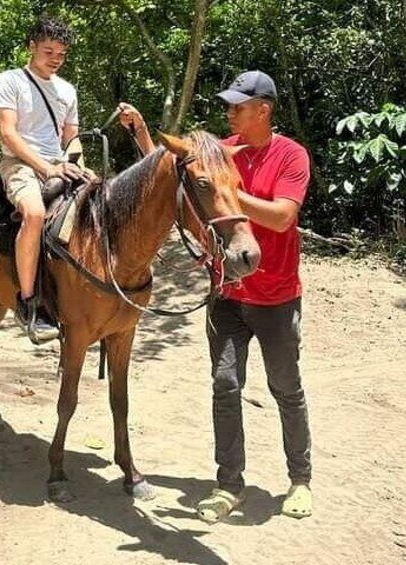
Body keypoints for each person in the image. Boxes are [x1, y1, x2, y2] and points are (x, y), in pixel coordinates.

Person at [116, 71, 313, 522]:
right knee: (225, 387)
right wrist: (144, 133)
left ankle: (299, 479)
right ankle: (229, 485)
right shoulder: (221, 151)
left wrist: (230, 196)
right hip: (226, 293)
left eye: (238, 106)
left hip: (277, 296)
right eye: (229, 105)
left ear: (263, 110)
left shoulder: (289, 155)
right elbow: (173, 178)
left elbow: (283, 218)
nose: (230, 112)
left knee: (286, 388)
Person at [0, 16, 88, 345]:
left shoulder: (67, 90)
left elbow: (71, 138)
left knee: (103, 199)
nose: (55, 59)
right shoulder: (11, 80)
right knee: (33, 214)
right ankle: (29, 302)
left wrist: (78, 166)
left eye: (61, 54)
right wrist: (46, 168)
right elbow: (8, 133)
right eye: (48, 51)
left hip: (59, 163)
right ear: (32, 47)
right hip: (20, 163)